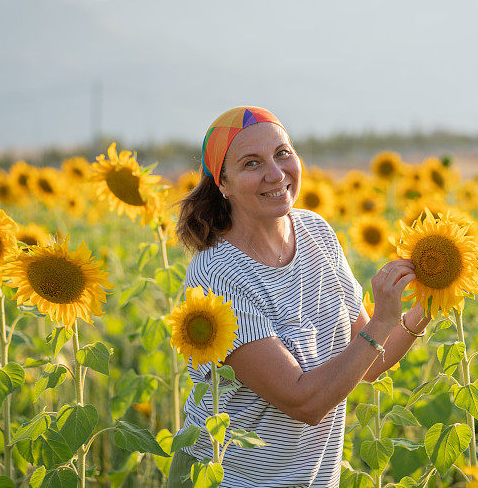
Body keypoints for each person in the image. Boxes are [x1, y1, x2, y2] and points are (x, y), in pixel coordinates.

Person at [168, 106, 431, 488]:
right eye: (251, 163)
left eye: (282, 153)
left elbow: (370, 361)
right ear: (223, 183)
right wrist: (384, 320)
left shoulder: (316, 233)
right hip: (227, 478)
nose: (275, 174)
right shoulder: (219, 273)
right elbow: (303, 402)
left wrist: (427, 304)